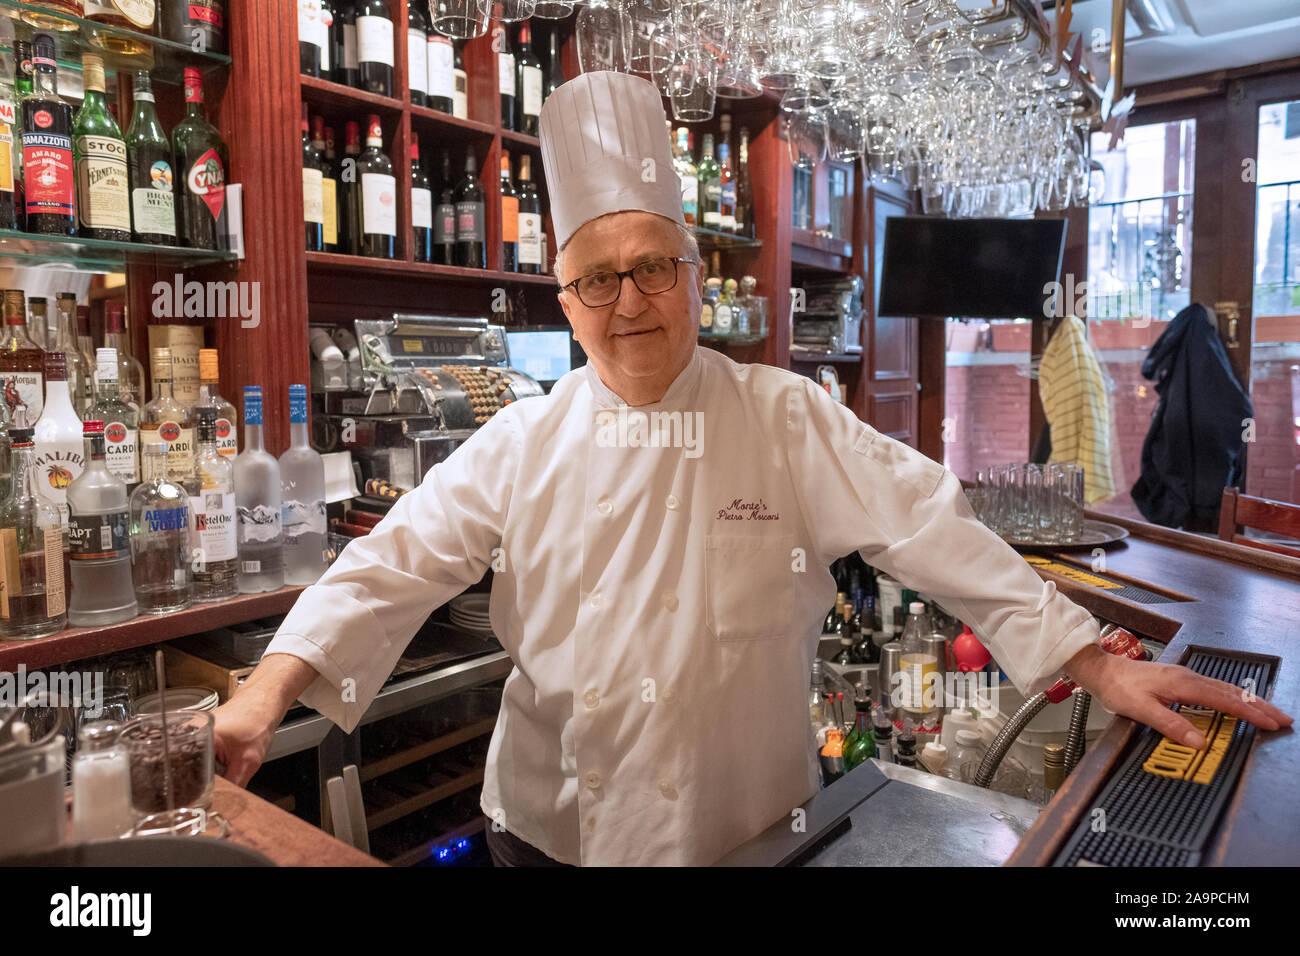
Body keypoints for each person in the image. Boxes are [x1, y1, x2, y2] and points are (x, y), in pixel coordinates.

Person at [214, 71, 1292, 866]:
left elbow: (935, 523)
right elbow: (390, 563)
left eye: (652, 268)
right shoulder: (521, 441)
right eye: (599, 280)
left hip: (741, 837)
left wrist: (1099, 662)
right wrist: (266, 691)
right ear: (562, 298)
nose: (629, 301)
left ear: (692, 270)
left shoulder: (782, 415)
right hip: (544, 835)